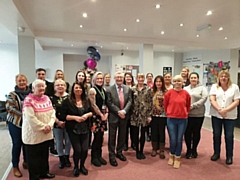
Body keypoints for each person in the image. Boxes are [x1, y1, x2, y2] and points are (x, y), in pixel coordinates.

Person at [57, 82, 92, 177]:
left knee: (85, 149)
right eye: (76, 88)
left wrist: (87, 115)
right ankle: (76, 166)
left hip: (85, 128)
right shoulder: (67, 101)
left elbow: (91, 112)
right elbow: (63, 116)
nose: (78, 90)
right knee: (78, 150)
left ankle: (82, 166)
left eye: (80, 88)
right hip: (73, 129)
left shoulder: (86, 100)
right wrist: (75, 118)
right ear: (73, 89)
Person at [22, 79, 55, 180]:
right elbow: (31, 119)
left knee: (44, 155)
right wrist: (43, 127)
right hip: (33, 136)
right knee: (33, 159)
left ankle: (44, 172)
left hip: (46, 134)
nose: (41, 88)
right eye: (38, 86)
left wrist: (49, 125)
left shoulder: (47, 98)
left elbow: (52, 113)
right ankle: (35, 177)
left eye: (43, 86)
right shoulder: (28, 100)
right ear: (33, 88)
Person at [209, 70, 240, 165]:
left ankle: (229, 156)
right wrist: (220, 110)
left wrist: (225, 110)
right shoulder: (215, 87)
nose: (223, 78)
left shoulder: (234, 87)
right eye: (221, 76)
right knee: (217, 135)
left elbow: (236, 101)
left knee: (229, 136)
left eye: (225, 76)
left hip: (230, 116)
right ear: (219, 78)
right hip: (216, 115)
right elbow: (212, 99)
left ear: (228, 78)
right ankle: (216, 153)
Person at [5, 74, 31, 177]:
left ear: (26, 81)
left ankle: (26, 162)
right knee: (17, 144)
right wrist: (25, 115)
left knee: (26, 142)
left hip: (28, 123)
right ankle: (15, 166)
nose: (22, 82)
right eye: (19, 81)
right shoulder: (12, 95)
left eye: (23, 80)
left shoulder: (31, 94)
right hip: (15, 123)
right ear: (16, 82)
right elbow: (10, 108)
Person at [164, 75, 191, 169]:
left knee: (179, 139)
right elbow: (165, 105)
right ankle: (171, 155)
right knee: (173, 139)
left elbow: (188, 105)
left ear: (182, 82)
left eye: (179, 81)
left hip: (183, 119)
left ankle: (177, 157)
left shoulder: (186, 94)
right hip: (171, 119)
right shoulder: (168, 93)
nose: (177, 83)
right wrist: (169, 113)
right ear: (173, 82)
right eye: (175, 81)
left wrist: (185, 113)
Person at [106, 71, 132, 166]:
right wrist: (119, 111)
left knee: (122, 136)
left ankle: (119, 152)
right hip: (114, 116)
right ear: (114, 78)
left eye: (121, 77)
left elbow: (130, 101)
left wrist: (124, 111)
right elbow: (109, 103)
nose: (119, 79)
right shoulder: (109, 89)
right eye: (117, 77)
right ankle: (112, 155)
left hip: (124, 116)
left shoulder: (127, 88)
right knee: (112, 137)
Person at [29, 68, 57, 156]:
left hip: (48, 111)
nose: (41, 76)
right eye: (39, 74)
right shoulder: (32, 86)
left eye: (43, 74)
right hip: (37, 114)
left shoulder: (50, 85)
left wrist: (49, 124)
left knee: (49, 136)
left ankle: (52, 148)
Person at [184, 72, 208, 159]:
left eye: (195, 78)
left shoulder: (202, 88)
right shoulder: (185, 88)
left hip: (198, 114)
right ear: (189, 79)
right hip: (187, 114)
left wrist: (193, 106)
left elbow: (204, 98)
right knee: (187, 132)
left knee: (196, 132)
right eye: (191, 78)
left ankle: (194, 149)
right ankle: (188, 150)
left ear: (198, 79)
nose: (193, 79)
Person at [88, 72, 108, 167]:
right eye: (98, 78)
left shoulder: (103, 89)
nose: (100, 80)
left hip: (103, 116)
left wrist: (106, 114)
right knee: (96, 137)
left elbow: (106, 102)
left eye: (101, 78)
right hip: (96, 117)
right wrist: (101, 114)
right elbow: (93, 105)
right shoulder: (92, 90)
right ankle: (94, 157)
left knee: (101, 137)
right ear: (94, 80)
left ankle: (99, 156)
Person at [50, 79, 71, 169]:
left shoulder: (70, 97)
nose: (60, 86)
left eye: (62, 85)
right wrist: (58, 121)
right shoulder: (51, 98)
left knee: (68, 141)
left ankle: (67, 157)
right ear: (55, 87)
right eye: (58, 85)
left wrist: (66, 121)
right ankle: (61, 158)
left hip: (69, 122)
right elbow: (50, 112)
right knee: (58, 142)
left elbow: (72, 110)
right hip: (56, 123)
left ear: (65, 86)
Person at [131, 73, 153, 160]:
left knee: (143, 134)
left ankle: (141, 150)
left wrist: (150, 115)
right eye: (139, 77)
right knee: (135, 134)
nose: (140, 79)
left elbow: (150, 103)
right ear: (136, 78)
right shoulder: (132, 89)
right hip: (134, 115)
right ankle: (137, 151)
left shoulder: (148, 89)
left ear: (144, 79)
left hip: (144, 115)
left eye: (142, 77)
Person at [150, 75, 167, 159]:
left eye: (160, 81)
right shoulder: (151, 92)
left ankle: (162, 150)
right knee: (154, 132)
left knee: (162, 132)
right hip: (153, 115)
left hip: (163, 115)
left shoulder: (166, 92)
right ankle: (154, 148)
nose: (158, 83)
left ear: (162, 82)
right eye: (157, 81)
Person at [123, 72, 135, 151]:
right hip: (125, 110)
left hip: (133, 111)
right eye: (127, 77)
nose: (128, 79)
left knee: (133, 129)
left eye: (130, 77)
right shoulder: (122, 87)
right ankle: (125, 144)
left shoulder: (135, 87)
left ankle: (133, 143)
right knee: (125, 129)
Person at [146, 73, 154, 142]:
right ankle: (147, 135)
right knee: (147, 123)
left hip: (153, 105)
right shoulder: (144, 85)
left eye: (150, 76)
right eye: (148, 77)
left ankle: (152, 134)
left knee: (152, 122)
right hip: (146, 105)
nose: (149, 78)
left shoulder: (155, 85)